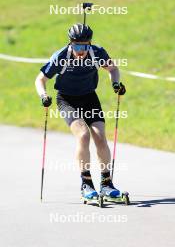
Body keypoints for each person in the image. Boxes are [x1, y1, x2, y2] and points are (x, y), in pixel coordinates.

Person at [35, 23, 126, 200]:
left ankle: (106, 184)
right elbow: (40, 79)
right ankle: (86, 183)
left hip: (89, 97)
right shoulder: (61, 57)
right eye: (77, 45)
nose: (81, 50)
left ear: (89, 44)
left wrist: (115, 84)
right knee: (83, 135)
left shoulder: (97, 52)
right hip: (67, 100)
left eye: (84, 46)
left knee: (100, 136)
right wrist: (43, 95)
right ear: (70, 43)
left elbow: (113, 69)